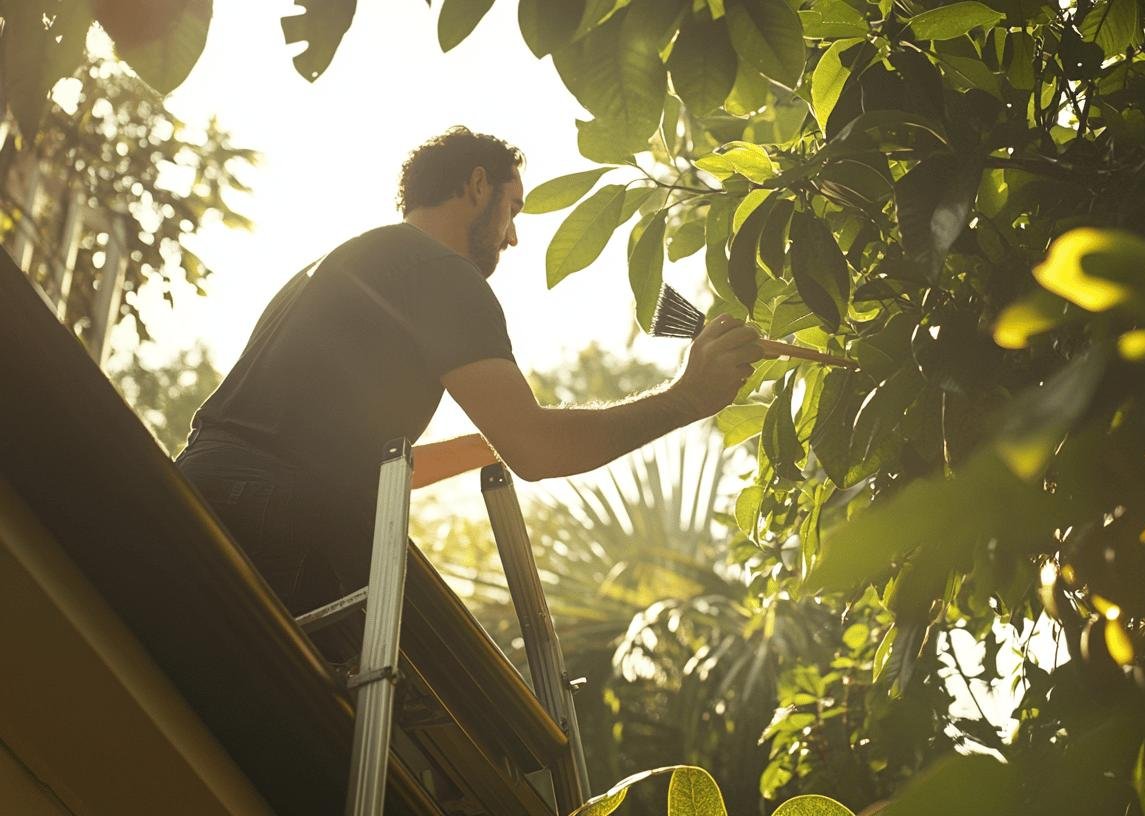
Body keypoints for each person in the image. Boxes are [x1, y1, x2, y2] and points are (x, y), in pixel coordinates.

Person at [174, 127, 763, 615]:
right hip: (273, 511)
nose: (511, 236)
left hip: (198, 487)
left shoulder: (344, 264)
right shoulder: (441, 272)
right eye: (512, 208)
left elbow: (369, 467)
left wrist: (489, 443)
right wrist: (688, 398)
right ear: (478, 185)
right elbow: (539, 452)